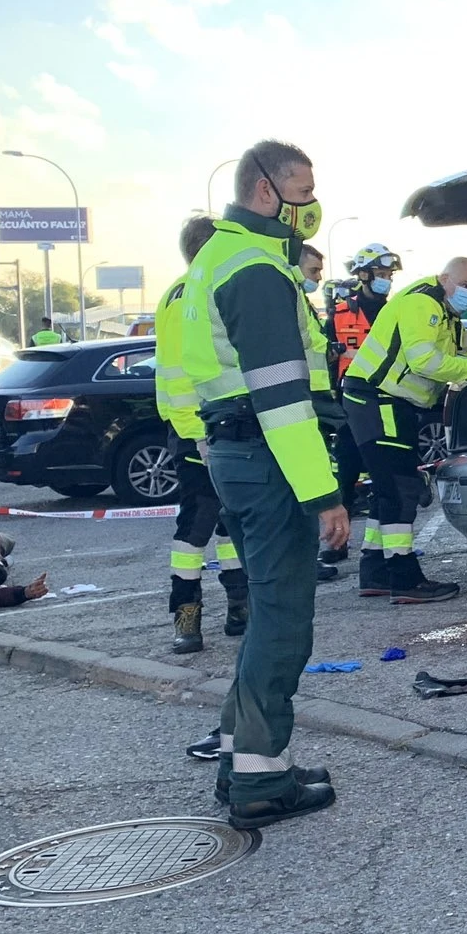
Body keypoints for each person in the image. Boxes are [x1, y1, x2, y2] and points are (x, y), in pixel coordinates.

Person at [181, 139, 344, 828]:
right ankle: (258, 784)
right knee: (284, 622)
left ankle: (244, 759)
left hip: (234, 455)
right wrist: (325, 495)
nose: (310, 206)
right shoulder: (255, 270)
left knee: (267, 619)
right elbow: (281, 401)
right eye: (302, 192)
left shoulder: (219, 257)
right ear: (265, 192)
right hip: (271, 461)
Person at [342, 256, 467, 603]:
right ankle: (403, 577)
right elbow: (425, 361)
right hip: (378, 398)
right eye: (466, 286)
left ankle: (375, 569)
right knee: (401, 489)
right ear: (445, 278)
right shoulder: (422, 303)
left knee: (389, 487)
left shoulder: (443, 310)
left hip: (383, 400)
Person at [154, 214, 249, 654]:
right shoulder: (196, 291)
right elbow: (191, 370)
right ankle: (190, 616)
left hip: (198, 424)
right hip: (204, 428)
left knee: (226, 522)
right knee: (200, 524)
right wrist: (200, 435)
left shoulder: (179, 290)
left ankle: (233, 605)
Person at [330, 245, 400, 520]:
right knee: (346, 471)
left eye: (389, 275)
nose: (387, 280)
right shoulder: (340, 314)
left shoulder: (395, 311)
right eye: (381, 273)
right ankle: (339, 540)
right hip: (350, 404)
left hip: (387, 399)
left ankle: (380, 545)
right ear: (363, 274)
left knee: (386, 472)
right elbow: (328, 360)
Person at [296, 243, 348, 583]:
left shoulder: (300, 300)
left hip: (314, 398)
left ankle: (311, 558)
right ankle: (306, 561)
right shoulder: (288, 297)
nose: (318, 278)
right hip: (304, 400)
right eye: (313, 271)